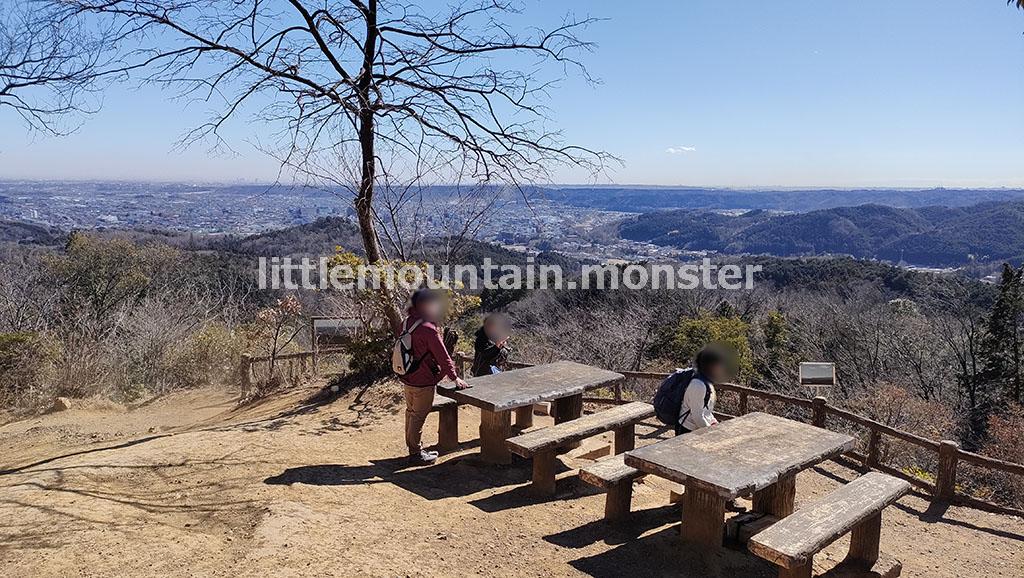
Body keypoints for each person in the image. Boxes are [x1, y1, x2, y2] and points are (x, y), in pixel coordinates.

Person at [397, 288, 470, 464]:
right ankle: (415, 453)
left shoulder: (407, 323)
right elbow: (443, 357)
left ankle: (412, 448)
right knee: (418, 416)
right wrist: (455, 378)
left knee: (411, 413)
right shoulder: (428, 329)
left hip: (407, 376)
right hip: (423, 380)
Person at [677, 345, 730, 436]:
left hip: (697, 427)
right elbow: (697, 416)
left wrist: (713, 422)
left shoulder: (706, 381)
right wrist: (711, 433)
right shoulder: (698, 385)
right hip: (688, 429)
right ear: (710, 366)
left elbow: (706, 409)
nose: (722, 368)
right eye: (719, 364)